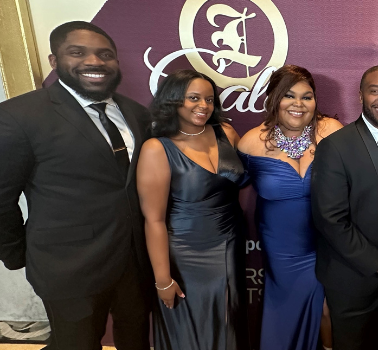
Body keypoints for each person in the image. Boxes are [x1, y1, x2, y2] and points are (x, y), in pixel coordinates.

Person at [0, 21, 151, 349]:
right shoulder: (18, 116)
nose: (95, 61)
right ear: (55, 61)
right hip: (68, 268)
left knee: (136, 338)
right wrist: (17, 253)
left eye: (105, 54)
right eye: (77, 52)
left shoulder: (138, 115)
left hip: (136, 262)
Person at [310, 65, 378, 350]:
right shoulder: (335, 147)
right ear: (360, 96)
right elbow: (330, 219)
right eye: (375, 90)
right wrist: (377, 261)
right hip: (351, 279)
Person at [137, 69, 248, 349]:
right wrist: (163, 280)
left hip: (231, 245)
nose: (204, 106)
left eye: (209, 100)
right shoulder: (157, 148)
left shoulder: (226, 132)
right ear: (173, 100)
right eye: (194, 98)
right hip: (187, 254)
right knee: (192, 330)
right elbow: (153, 220)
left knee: (230, 322)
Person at [237, 65, 342, 350]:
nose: (298, 104)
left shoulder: (332, 132)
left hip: (326, 242)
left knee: (327, 310)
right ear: (274, 98)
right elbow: (229, 185)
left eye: (307, 97)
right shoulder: (251, 143)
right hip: (281, 247)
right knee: (286, 310)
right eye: (289, 96)